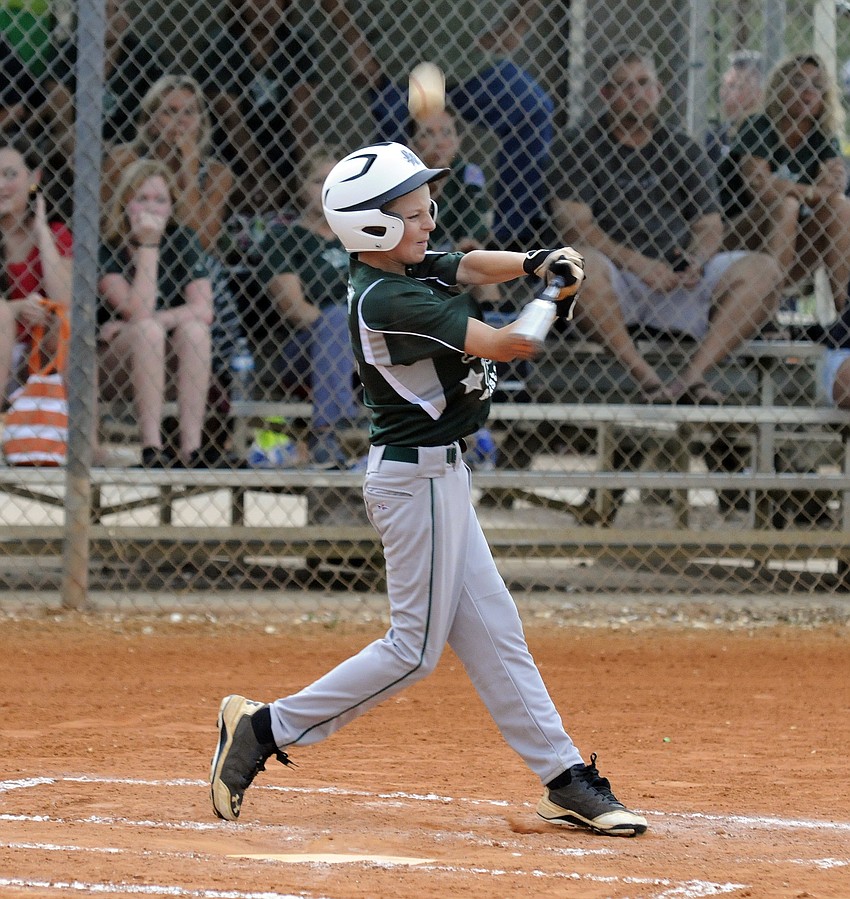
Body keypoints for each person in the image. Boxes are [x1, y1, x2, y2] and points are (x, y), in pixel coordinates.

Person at [209, 141, 648, 838]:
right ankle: (264, 727)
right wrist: (550, 294)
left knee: (497, 632)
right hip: (416, 481)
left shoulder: (405, 268)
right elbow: (511, 345)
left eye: (426, 208)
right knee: (412, 651)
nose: (429, 222)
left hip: (440, 475)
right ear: (374, 229)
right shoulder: (389, 297)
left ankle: (564, 778)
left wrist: (536, 260)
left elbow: (469, 263)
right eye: (412, 214)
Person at [550, 46, 782, 404]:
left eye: (644, 83)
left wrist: (697, 260)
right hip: (618, 281)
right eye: (624, 86)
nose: (636, 94)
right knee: (576, 265)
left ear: (658, 90)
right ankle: (648, 379)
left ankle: (692, 378)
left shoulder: (683, 148)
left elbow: (709, 226)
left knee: (765, 270)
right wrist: (642, 265)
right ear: (606, 95)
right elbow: (576, 229)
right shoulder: (578, 146)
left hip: (679, 278)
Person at [322, 0, 556, 248]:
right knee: (396, 149)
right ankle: (401, 243)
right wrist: (355, 41)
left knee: (533, 109)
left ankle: (510, 239)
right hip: (395, 59)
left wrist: (516, 24)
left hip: (465, 57)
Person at [98, 158, 213, 468]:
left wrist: (163, 320)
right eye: (142, 199)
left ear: (171, 206)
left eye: (160, 200)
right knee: (147, 332)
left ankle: (192, 450)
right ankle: (152, 447)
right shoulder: (108, 246)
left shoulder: (182, 239)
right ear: (125, 204)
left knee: (195, 332)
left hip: (165, 359)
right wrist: (148, 246)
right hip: (113, 365)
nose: (152, 208)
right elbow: (138, 312)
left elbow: (204, 309)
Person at [250, 145, 360, 468]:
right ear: (300, 187)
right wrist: (350, 335)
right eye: (317, 181)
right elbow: (294, 309)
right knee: (337, 318)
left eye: (336, 181)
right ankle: (330, 433)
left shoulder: (362, 237)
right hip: (301, 351)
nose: (327, 189)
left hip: (366, 348)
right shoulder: (284, 238)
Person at [723, 53, 850, 311]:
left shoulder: (822, 136)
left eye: (816, 85)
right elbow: (761, 189)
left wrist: (823, 189)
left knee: (839, 206)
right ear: (781, 87)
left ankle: (845, 316)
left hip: (791, 249)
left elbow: (832, 190)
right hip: (734, 241)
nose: (808, 92)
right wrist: (815, 190)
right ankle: (764, 311)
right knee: (787, 205)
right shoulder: (758, 125)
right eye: (798, 83)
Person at [195, 0, 324, 214]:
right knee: (244, 190)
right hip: (232, 152)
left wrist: (304, 173)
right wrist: (261, 175)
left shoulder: (297, 44)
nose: (267, 6)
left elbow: (301, 118)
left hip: (283, 150)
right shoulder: (221, 45)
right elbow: (231, 121)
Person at [0, 129, 73, 405]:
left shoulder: (56, 233)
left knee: (69, 319)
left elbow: (65, 299)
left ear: (34, 179)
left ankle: (81, 436)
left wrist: (42, 231)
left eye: (10, 175)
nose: (0, 185)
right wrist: (17, 308)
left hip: (40, 351)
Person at [706, 50, 765, 166]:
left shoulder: (771, 134)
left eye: (736, 86)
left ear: (760, 94)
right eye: (725, 85)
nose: (724, 93)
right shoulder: (714, 137)